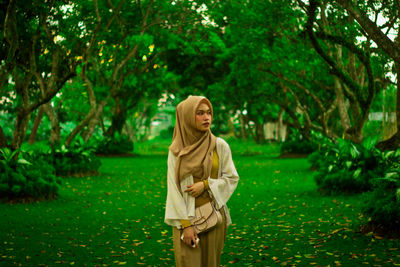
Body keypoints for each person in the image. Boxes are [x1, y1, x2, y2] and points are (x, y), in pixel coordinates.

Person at [164, 95, 239, 267]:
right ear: (188, 117)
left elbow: (231, 178)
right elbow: (174, 190)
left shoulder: (219, 146)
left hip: (212, 218)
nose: (206, 118)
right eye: (199, 113)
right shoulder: (176, 151)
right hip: (186, 221)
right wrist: (186, 226)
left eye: (208, 113)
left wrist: (206, 185)